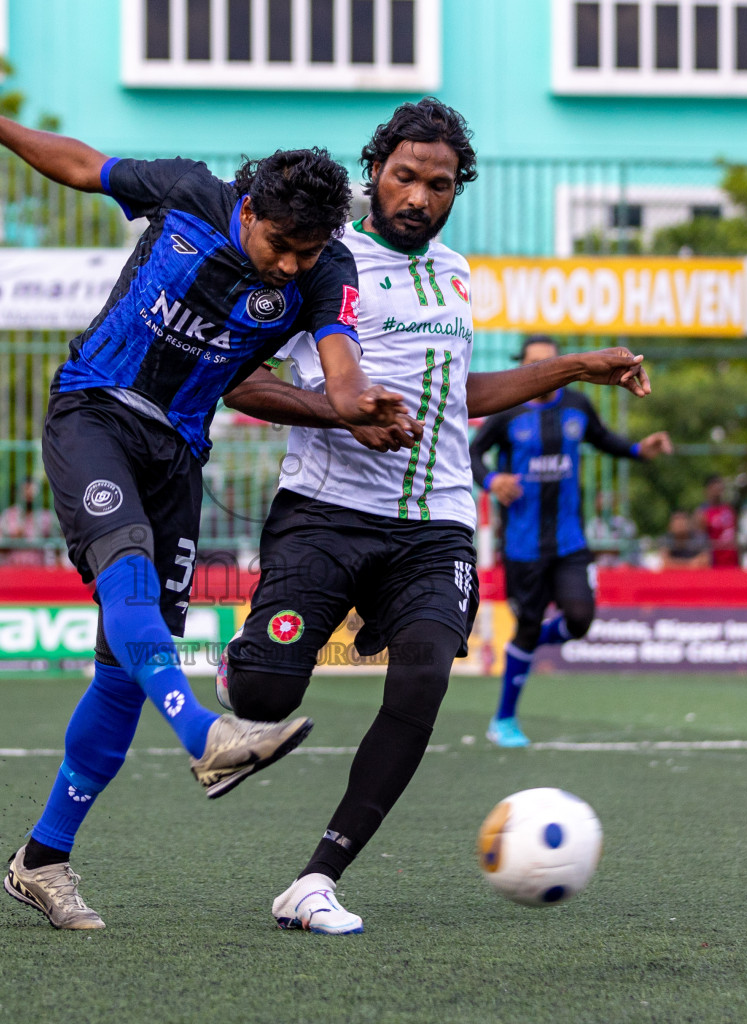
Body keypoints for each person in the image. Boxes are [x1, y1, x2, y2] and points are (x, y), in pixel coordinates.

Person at [0, 92, 412, 930]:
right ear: (250, 210)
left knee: (122, 673)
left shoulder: (325, 269)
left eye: (311, 252)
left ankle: (42, 860)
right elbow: (84, 164)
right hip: (95, 410)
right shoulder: (188, 192)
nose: (295, 266)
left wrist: (358, 402)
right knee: (123, 571)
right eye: (283, 246)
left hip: (177, 456)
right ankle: (204, 734)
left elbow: (340, 365)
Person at [217, 99, 653, 933]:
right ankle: (241, 673)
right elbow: (241, 382)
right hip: (326, 510)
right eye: (405, 177)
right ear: (374, 172)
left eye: (439, 184)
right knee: (268, 697)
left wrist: (577, 368)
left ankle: (315, 881)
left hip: (436, 520)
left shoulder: (455, 272)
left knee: (422, 680)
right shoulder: (319, 259)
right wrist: (344, 411)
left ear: (458, 191)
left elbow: (460, 398)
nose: (419, 196)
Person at [467, 335, 671, 750]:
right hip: (523, 546)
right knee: (526, 627)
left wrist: (637, 449)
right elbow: (472, 454)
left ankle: (526, 645)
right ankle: (504, 719)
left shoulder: (577, 405)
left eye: (549, 362)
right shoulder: (507, 412)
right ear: (521, 368)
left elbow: (602, 438)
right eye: (533, 364)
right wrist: (491, 480)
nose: (542, 370)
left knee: (580, 619)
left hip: (570, 541)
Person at [0, 480, 56, 567]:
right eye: (25, 491)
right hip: (11, 572)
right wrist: (11, 540)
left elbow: (59, 546)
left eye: (32, 491)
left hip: (38, 573)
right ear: (18, 494)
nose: (28, 495)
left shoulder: (46, 518)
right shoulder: (6, 517)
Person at [697, 475, 738, 568]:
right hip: (714, 562)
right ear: (708, 490)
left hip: (732, 561)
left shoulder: (729, 510)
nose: (718, 492)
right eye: (715, 489)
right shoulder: (703, 513)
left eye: (720, 488)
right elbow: (699, 539)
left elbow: (735, 535)